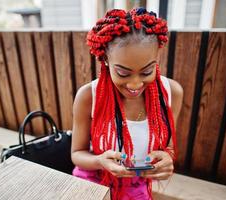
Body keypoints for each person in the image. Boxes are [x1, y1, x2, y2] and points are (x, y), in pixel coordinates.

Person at [71, 7, 183, 200]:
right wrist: (100, 161)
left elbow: (169, 147)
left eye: (147, 71)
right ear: (106, 60)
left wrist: (167, 160)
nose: (135, 84)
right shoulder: (88, 96)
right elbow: (77, 153)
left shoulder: (171, 93)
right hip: (93, 178)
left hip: (136, 183)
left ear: (157, 57)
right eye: (123, 73)